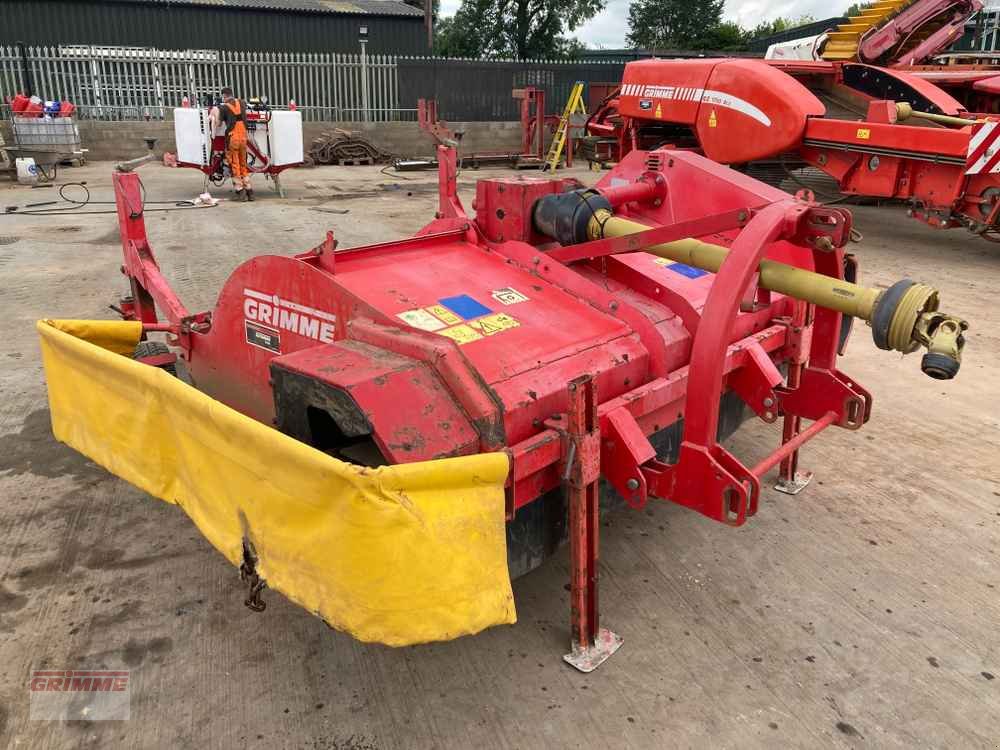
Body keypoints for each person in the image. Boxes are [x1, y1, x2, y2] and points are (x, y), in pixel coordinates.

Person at [210, 87, 253, 201]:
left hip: (233, 139)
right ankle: (250, 192)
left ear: (224, 96)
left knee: (235, 165)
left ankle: (240, 192)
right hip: (244, 138)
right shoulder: (242, 103)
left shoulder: (223, 108)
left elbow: (218, 124)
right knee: (243, 164)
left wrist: (214, 112)